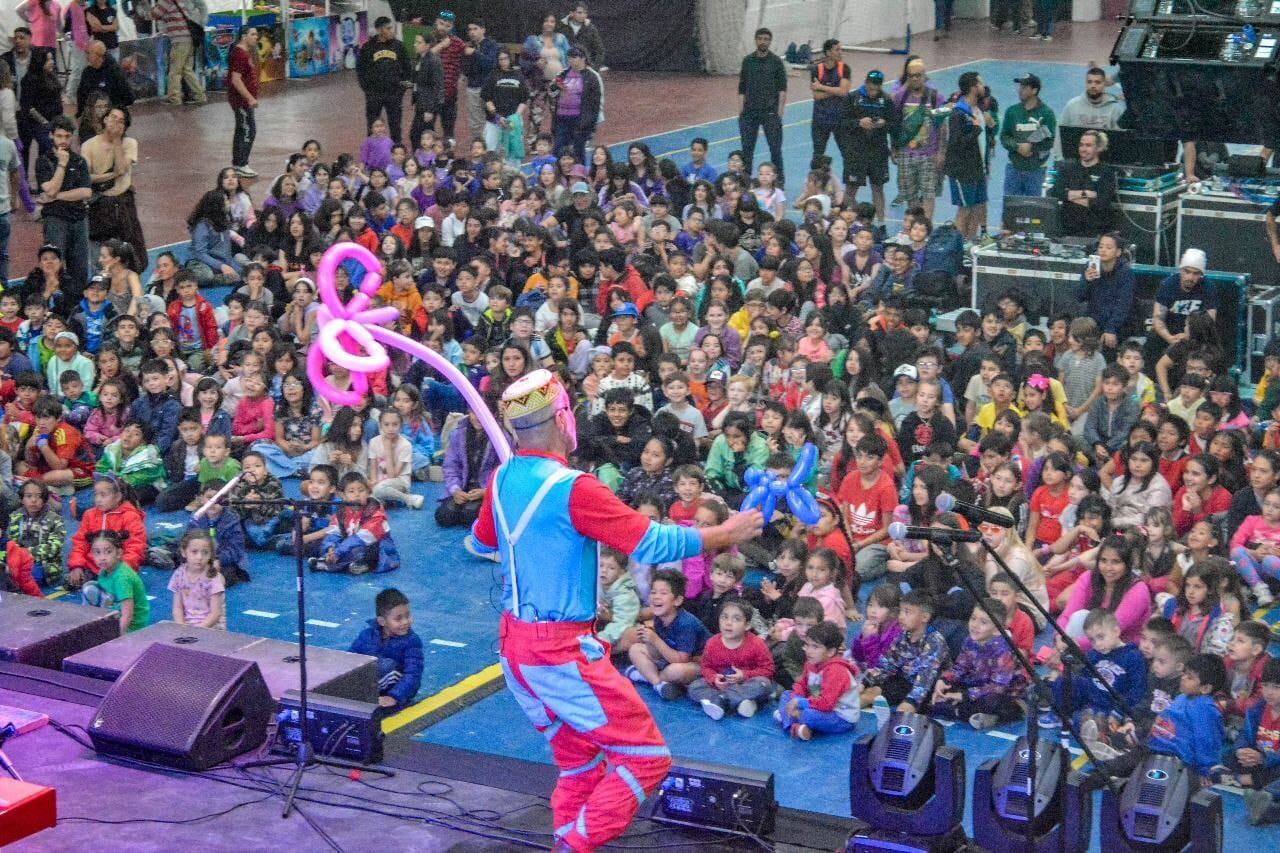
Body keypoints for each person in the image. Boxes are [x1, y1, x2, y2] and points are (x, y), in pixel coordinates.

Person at [467, 369, 762, 852]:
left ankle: (568, 836)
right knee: (645, 755)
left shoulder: (502, 478)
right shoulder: (574, 488)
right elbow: (651, 540)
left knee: (581, 760)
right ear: (564, 418)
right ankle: (574, 845)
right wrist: (725, 533)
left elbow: (479, 542)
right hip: (559, 653)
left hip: (514, 650)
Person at [80, 106, 145, 269]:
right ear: (105, 119)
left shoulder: (129, 143)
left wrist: (116, 141)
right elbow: (86, 177)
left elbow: (122, 168)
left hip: (123, 204)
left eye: (121, 120)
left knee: (131, 248)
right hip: (99, 204)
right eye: (113, 117)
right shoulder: (88, 145)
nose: (116, 122)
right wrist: (111, 176)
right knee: (99, 250)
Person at [36, 115, 92, 291]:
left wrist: (57, 196)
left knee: (80, 270)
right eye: (59, 136)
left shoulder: (80, 161)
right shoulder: (43, 161)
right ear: (51, 135)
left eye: (67, 137)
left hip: (79, 220)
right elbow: (49, 189)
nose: (63, 141)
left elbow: (86, 192)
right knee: (54, 269)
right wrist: (62, 164)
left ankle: (77, 310)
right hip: (56, 221)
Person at [349, 587, 425, 713]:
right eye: (398, 618)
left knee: (386, 665)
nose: (405, 622)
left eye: (407, 616)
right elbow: (351, 657)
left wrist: (394, 696)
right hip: (374, 681)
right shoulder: (367, 635)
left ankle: (361, 695)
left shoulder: (412, 642)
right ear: (382, 621)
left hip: (394, 688)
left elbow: (413, 675)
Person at [891, 56, 944, 219]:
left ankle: (925, 228)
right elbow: (895, 123)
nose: (915, 79)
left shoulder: (936, 97)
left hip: (929, 155)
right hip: (906, 154)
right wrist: (894, 148)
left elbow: (942, 126)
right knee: (910, 195)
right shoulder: (900, 97)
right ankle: (915, 227)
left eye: (918, 75)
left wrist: (941, 151)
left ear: (924, 76)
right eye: (911, 76)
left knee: (929, 194)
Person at [1148, 248, 1216, 367]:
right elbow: (1158, 318)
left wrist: (1188, 336)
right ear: (1181, 270)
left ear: (1201, 275)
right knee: (1153, 338)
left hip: (1195, 335)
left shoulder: (1208, 287)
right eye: (1187, 271)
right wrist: (1169, 337)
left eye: (1195, 273)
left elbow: (1209, 320)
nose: (1190, 277)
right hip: (1170, 333)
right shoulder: (1168, 285)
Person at [737, 28, 787, 188]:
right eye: (760, 38)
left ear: (770, 41)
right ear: (755, 40)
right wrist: (741, 112)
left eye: (766, 39)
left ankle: (778, 181)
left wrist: (779, 113)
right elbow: (742, 88)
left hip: (770, 113)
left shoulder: (776, 62)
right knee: (747, 150)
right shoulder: (747, 61)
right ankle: (745, 181)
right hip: (749, 113)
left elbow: (782, 89)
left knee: (775, 149)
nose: (763, 41)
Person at [944, 71, 991, 240]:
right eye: (980, 83)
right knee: (964, 210)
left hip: (978, 168)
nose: (983, 86)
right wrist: (976, 130)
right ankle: (955, 248)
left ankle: (969, 244)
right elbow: (957, 143)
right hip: (963, 171)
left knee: (976, 208)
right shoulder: (959, 113)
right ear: (972, 88)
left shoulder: (978, 110)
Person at [846, 69, 893, 223]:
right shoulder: (853, 98)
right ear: (866, 83)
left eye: (877, 88)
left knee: (878, 188)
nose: (874, 91)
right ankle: (852, 222)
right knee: (851, 189)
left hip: (878, 151)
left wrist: (884, 123)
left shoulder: (886, 100)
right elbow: (841, 123)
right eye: (871, 87)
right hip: (856, 151)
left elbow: (895, 124)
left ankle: (881, 224)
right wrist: (858, 123)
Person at [1051, 128, 1116, 238]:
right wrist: (1087, 194)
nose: (1083, 149)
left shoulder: (1106, 172)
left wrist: (1069, 195)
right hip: (1066, 228)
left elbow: (1101, 203)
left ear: (1099, 148)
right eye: (1081, 145)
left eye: (1088, 145)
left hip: (1094, 229)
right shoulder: (1067, 168)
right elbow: (1055, 192)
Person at [81, 528, 148, 633]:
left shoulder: (122, 578)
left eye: (108, 552)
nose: (102, 557)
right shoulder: (104, 571)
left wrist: (116, 639)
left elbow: (128, 615)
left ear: (119, 553)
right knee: (90, 587)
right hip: (115, 611)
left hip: (132, 627)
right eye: (97, 552)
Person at [1000, 73, 1055, 199]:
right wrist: (1017, 147)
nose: (1020, 90)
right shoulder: (1012, 111)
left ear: (1034, 90)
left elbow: (1050, 141)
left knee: (1034, 211)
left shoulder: (1046, 113)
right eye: (1020, 87)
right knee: (1010, 210)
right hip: (1014, 168)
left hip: (1036, 170)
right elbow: (1004, 136)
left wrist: (1031, 147)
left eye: (1024, 87)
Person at [357, 16, 411, 143]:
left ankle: (397, 151)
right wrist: (368, 91)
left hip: (394, 94)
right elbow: (360, 70)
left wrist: (401, 90)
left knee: (395, 126)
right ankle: (372, 152)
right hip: (374, 95)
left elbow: (408, 69)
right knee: (373, 125)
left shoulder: (399, 47)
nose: (392, 31)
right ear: (380, 30)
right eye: (388, 28)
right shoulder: (368, 48)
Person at [809, 39, 852, 180]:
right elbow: (816, 96)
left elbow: (844, 92)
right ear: (828, 52)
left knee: (847, 152)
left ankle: (849, 182)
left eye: (841, 49)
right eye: (837, 49)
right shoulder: (817, 69)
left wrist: (822, 87)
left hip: (841, 119)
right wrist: (836, 90)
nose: (840, 52)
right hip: (820, 120)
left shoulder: (844, 68)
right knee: (818, 154)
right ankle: (815, 182)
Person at [552, 46, 601, 164]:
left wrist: (590, 123)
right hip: (562, 118)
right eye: (569, 58)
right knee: (558, 149)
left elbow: (596, 103)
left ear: (583, 58)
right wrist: (555, 87)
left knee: (578, 151)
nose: (571, 60)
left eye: (574, 57)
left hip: (580, 121)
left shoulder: (592, 76)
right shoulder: (563, 74)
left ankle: (580, 176)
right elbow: (552, 93)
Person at [168, 530, 226, 629]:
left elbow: (215, 614)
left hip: (211, 628)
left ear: (211, 555)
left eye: (205, 553)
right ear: (183, 552)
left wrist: (196, 631)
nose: (199, 557)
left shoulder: (213, 578)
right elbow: (177, 608)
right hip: (187, 627)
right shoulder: (179, 574)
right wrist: (182, 626)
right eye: (194, 552)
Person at [151, 0, 205, 106]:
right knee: (187, 70)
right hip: (188, 38)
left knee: (175, 71)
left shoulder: (165, 1)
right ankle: (200, 95)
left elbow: (153, 14)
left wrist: (147, 8)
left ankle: (174, 98)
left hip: (179, 39)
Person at [227, 26, 259, 178]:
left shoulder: (244, 53)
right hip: (241, 101)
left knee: (242, 129)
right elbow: (236, 79)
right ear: (244, 36)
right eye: (252, 34)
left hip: (241, 100)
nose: (256, 37)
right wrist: (249, 98)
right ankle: (241, 163)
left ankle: (238, 162)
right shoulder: (240, 55)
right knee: (248, 129)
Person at [461, 18, 499, 146]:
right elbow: (465, 68)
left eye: (475, 29)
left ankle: (494, 150)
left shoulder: (491, 45)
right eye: (470, 29)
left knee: (493, 119)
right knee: (476, 123)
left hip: (490, 89)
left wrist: (476, 53)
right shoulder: (467, 46)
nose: (472, 32)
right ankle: (480, 149)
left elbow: (490, 64)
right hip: (473, 88)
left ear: (483, 30)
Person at [429, 10, 465, 140]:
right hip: (430, 94)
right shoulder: (428, 39)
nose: (443, 28)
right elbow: (423, 59)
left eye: (448, 25)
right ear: (436, 23)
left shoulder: (458, 43)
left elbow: (467, 58)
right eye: (441, 23)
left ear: (452, 27)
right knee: (427, 130)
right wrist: (441, 45)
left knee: (449, 130)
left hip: (449, 94)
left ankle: (448, 157)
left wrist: (462, 76)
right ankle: (428, 158)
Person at [1058, 66, 1125, 134]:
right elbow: (1060, 134)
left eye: (1097, 82)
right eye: (1089, 82)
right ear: (1085, 83)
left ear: (1104, 84)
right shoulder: (1071, 106)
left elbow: (1121, 138)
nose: (1093, 85)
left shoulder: (1116, 110)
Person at [409, 32, 443, 157]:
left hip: (428, 105)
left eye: (419, 42)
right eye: (415, 42)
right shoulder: (419, 59)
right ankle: (422, 158)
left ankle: (426, 159)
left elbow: (437, 87)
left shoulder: (433, 61)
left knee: (420, 135)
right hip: (420, 103)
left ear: (428, 45)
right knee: (419, 134)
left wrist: (430, 110)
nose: (415, 45)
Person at [557, 2, 605, 71]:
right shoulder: (561, 27)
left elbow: (600, 51)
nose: (583, 15)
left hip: (585, 69)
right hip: (564, 68)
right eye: (579, 13)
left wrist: (594, 68)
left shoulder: (591, 28)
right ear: (571, 13)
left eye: (585, 13)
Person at [0, 126, 15, 285]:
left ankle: (2, 301)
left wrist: (15, 197)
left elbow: (15, 172)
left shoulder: (7, 145)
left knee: (2, 256)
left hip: (2, 212)